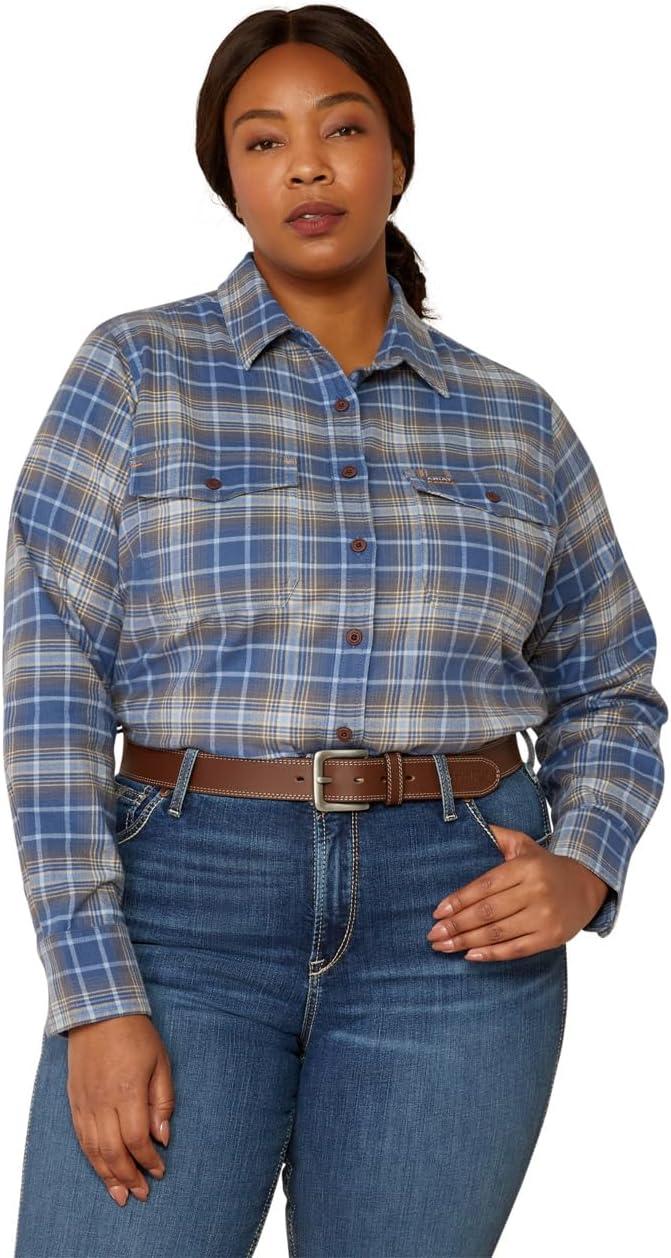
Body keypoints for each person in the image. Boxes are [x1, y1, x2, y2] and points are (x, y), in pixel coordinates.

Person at [4, 6, 667, 1256]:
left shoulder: (515, 420)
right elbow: (49, 685)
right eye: (262, 143)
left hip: (453, 923)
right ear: (229, 182)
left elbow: (610, 682)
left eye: (342, 130)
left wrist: (584, 860)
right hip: (183, 911)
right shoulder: (136, 372)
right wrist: (94, 992)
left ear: (396, 158)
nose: (305, 167)